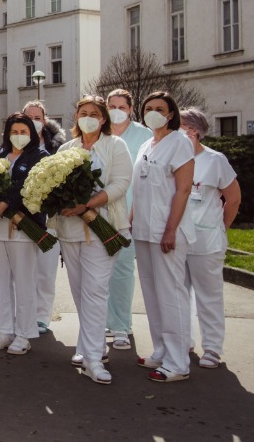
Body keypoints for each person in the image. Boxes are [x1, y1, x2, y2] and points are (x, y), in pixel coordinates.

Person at [56, 96, 132, 384]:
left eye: (93, 114)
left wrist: (87, 204)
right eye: (82, 113)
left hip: (103, 228)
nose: (87, 117)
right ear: (76, 117)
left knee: (96, 291)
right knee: (79, 292)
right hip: (70, 230)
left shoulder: (115, 146)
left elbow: (121, 184)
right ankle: (93, 345)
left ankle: (93, 361)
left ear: (103, 119)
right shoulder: (67, 148)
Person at [131, 91, 195, 383]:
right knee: (152, 293)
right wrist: (132, 219)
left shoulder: (179, 142)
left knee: (171, 295)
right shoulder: (147, 143)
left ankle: (178, 361)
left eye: (160, 108)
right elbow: (141, 188)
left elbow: (182, 190)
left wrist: (171, 228)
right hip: (144, 231)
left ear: (171, 114)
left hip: (167, 232)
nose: (153, 112)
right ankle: (161, 350)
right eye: (149, 108)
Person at [180, 108, 241, 370]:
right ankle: (183, 341)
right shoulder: (174, 158)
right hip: (177, 239)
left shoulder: (215, 160)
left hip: (206, 241)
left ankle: (213, 347)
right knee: (178, 294)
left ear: (192, 131)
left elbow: (234, 198)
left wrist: (220, 227)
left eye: (178, 126)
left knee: (209, 295)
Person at [0, 113, 48, 356]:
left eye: (23, 132)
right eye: (14, 132)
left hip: (23, 227)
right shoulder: (0, 155)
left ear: (31, 134)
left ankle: (24, 333)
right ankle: (4, 330)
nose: (18, 136)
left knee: (24, 280)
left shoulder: (40, 157)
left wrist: (7, 204)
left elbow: (33, 187)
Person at [104, 88, 154, 350]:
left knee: (123, 270)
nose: (116, 110)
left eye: (122, 106)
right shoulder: (100, 134)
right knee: (99, 272)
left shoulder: (144, 136)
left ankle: (121, 326)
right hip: (99, 213)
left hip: (130, 214)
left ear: (131, 109)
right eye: (112, 105)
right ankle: (100, 322)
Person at [23, 100, 63, 335]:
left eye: (38, 117)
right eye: (29, 117)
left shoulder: (57, 147)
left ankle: (42, 316)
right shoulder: (16, 143)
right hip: (24, 217)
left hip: (49, 218)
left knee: (46, 271)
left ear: (45, 120)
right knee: (24, 270)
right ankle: (25, 314)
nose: (34, 121)